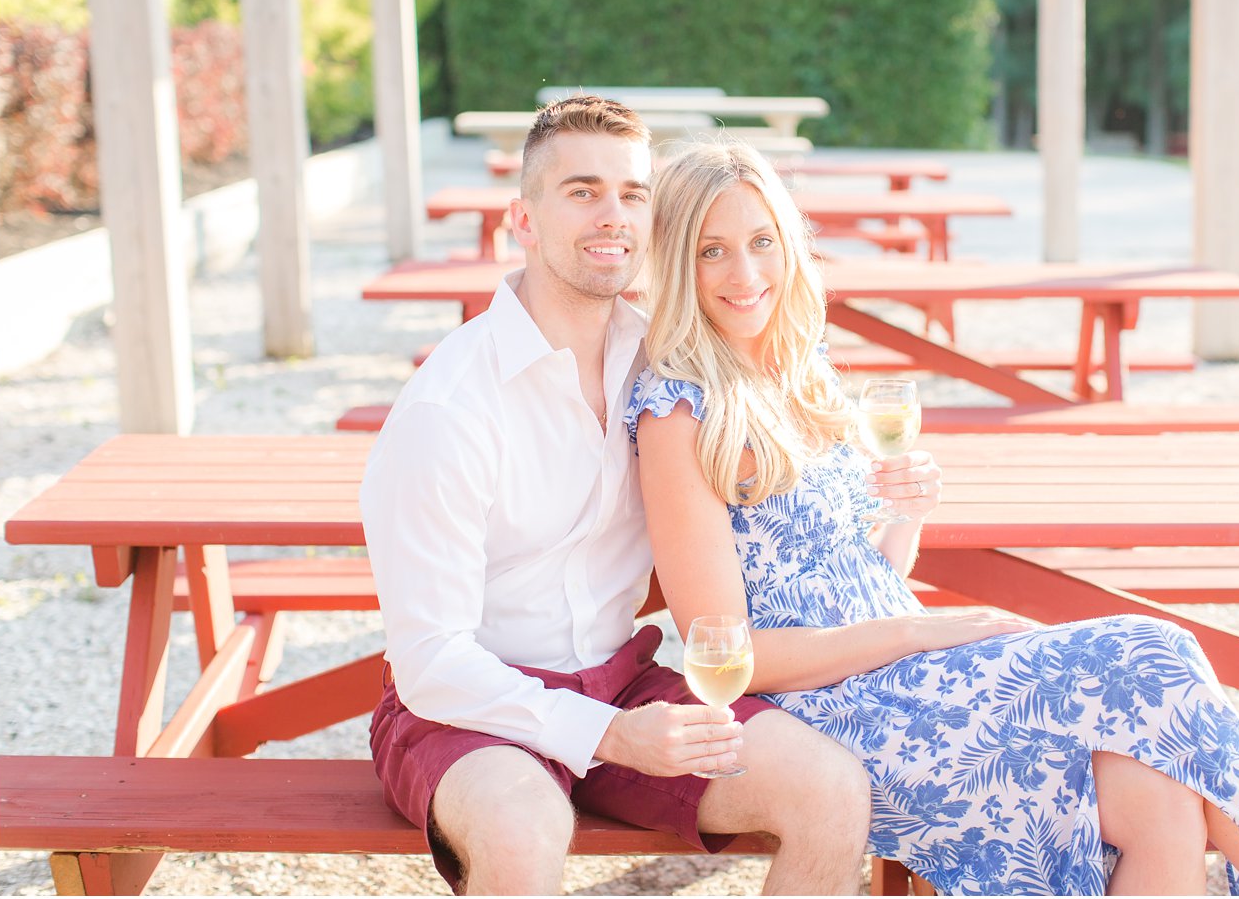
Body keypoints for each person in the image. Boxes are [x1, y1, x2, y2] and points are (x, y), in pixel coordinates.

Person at [624, 141, 1239, 896]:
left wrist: (905, 516)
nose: (746, 274)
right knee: (1155, 649)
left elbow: (860, 576)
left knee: (1163, 802)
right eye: (713, 251)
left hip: (914, 675)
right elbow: (730, 652)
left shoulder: (792, 369)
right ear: (679, 264)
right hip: (837, 711)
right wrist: (918, 631)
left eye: (761, 241)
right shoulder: (680, 409)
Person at [360, 98, 871, 896]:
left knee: (830, 787)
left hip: (624, 680)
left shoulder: (666, 363)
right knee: (521, 826)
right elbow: (431, 662)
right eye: (582, 191)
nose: (614, 216)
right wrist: (610, 734)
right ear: (522, 219)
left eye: (634, 194)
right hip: (469, 710)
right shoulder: (448, 407)